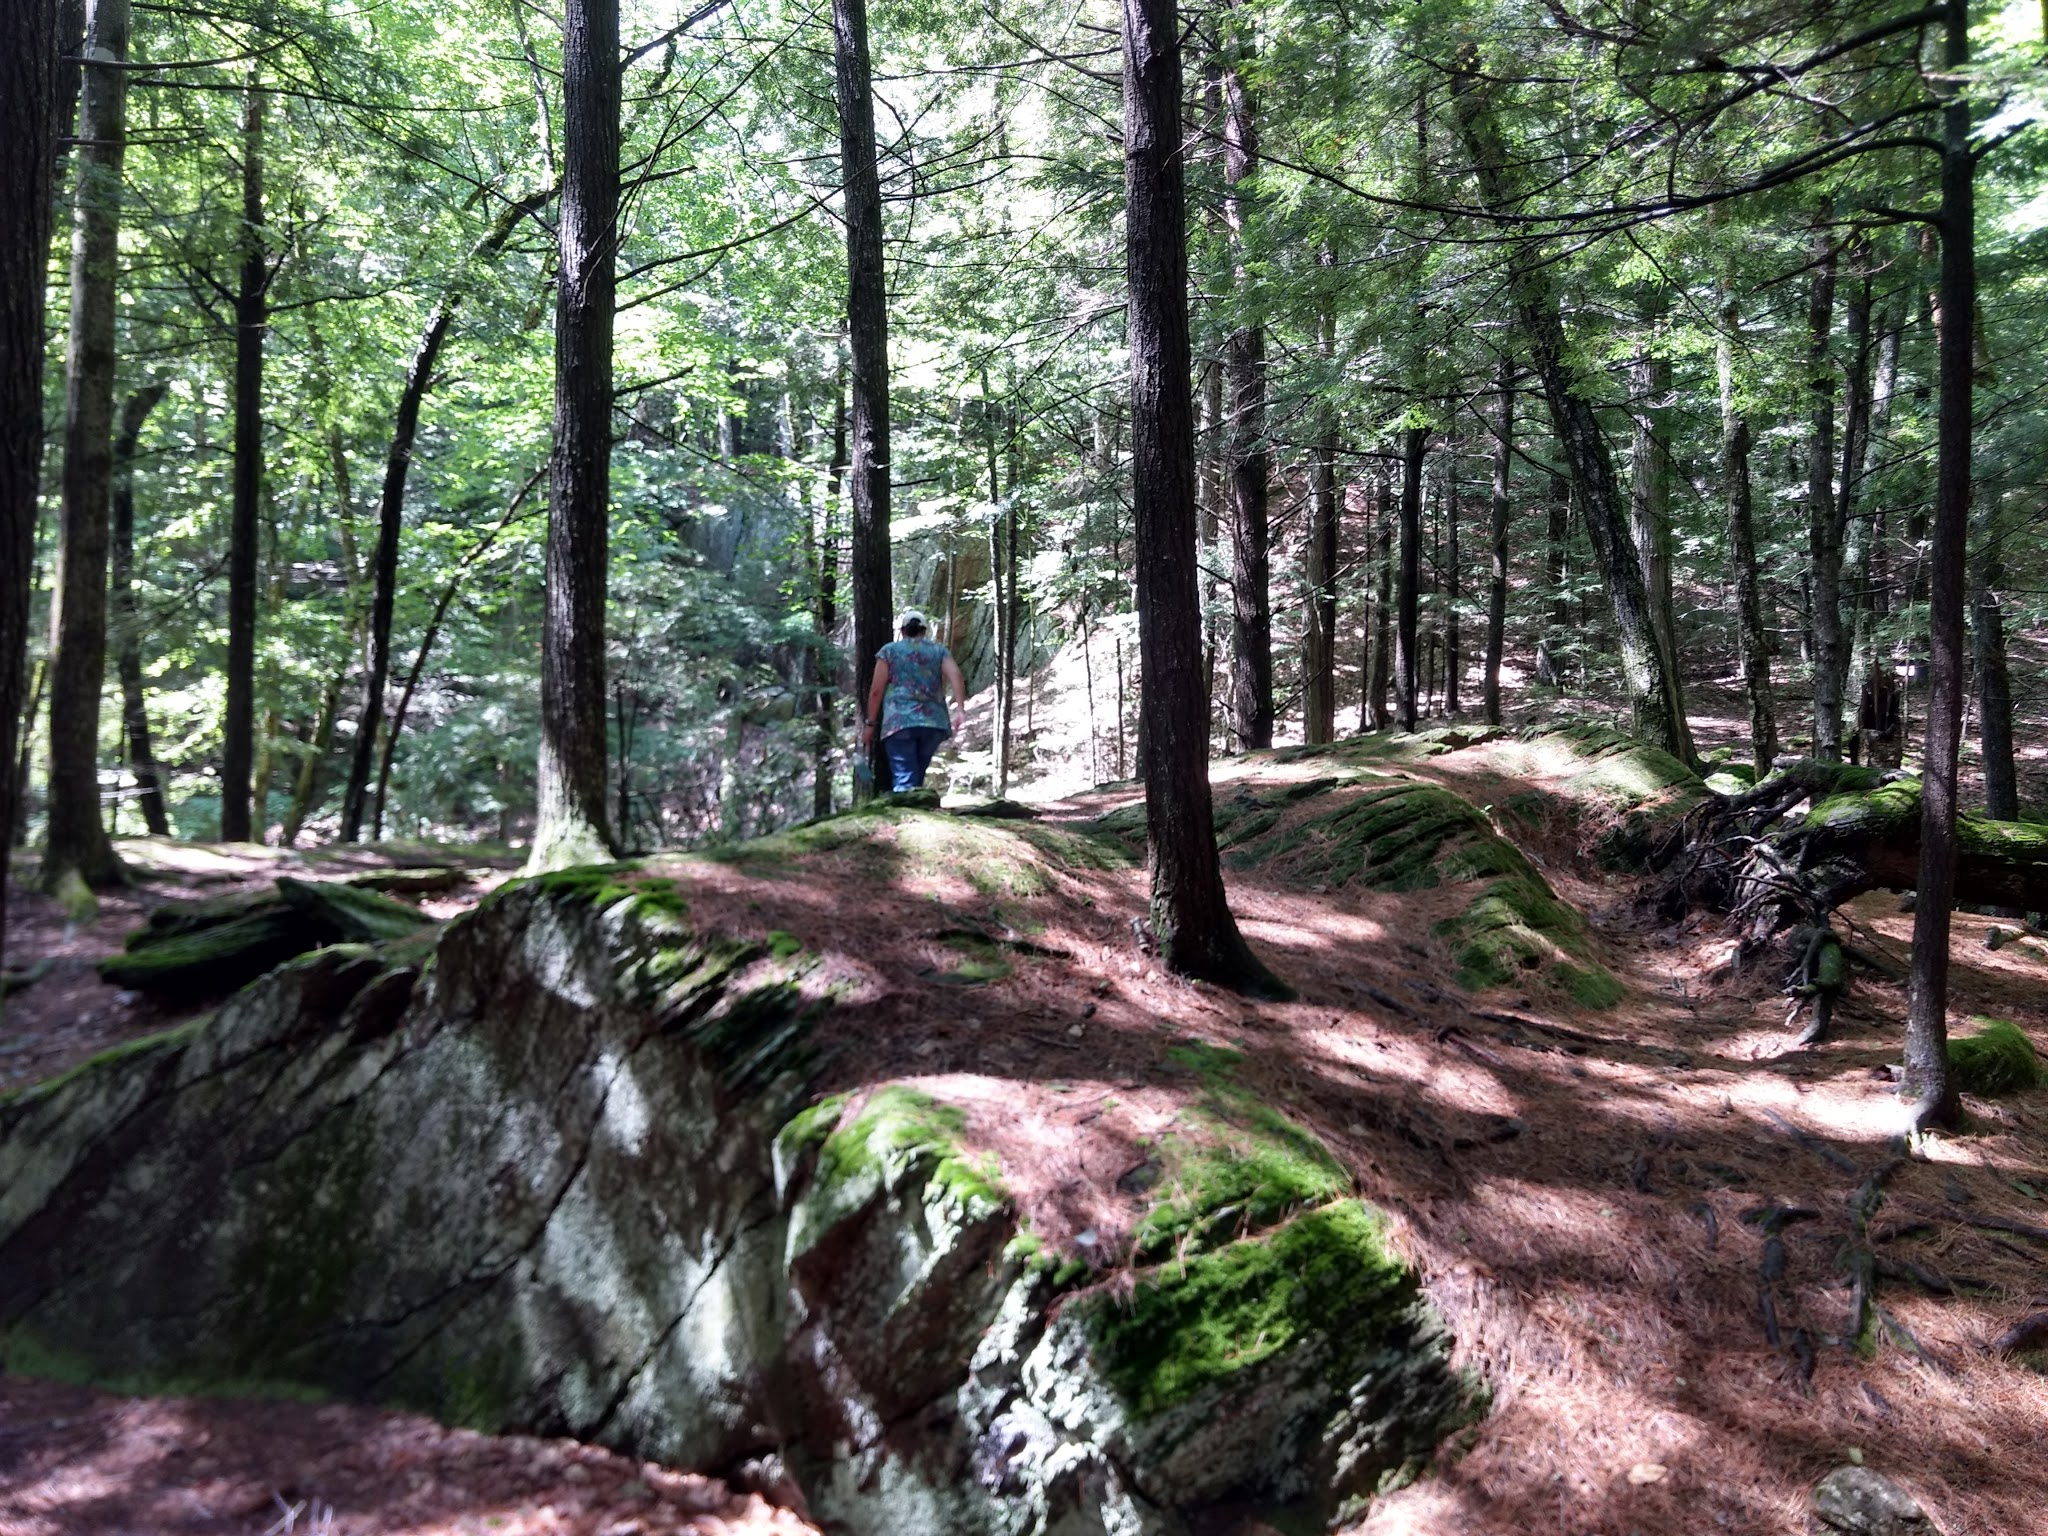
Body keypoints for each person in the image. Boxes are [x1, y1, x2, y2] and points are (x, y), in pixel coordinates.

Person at [862, 609, 966, 793]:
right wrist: (960, 710)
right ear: (924, 631)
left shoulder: (889, 652)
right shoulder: (939, 651)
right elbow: (956, 675)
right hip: (933, 723)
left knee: (905, 778)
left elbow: (876, 691)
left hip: (899, 722)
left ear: (902, 631)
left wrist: (870, 723)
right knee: (916, 778)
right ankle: (914, 805)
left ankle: (905, 808)